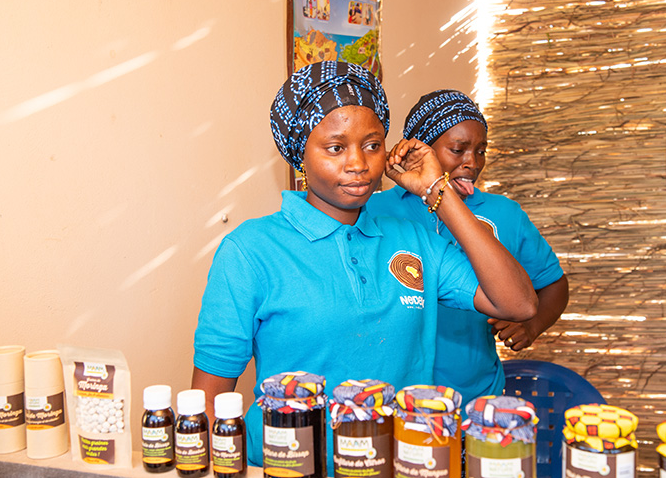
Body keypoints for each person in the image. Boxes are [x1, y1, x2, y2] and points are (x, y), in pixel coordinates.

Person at [190, 62, 538, 469]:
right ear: (299, 153)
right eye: (335, 148)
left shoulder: (414, 241)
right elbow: (210, 402)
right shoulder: (250, 250)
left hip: (402, 465)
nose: (358, 163)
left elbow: (519, 304)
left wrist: (437, 191)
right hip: (286, 467)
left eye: (372, 145)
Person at [367, 89, 569, 408]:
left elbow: (554, 284)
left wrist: (531, 325)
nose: (472, 162)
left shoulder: (505, 213)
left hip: (477, 398)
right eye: (458, 149)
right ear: (421, 150)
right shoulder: (374, 211)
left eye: (481, 151)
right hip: (395, 400)